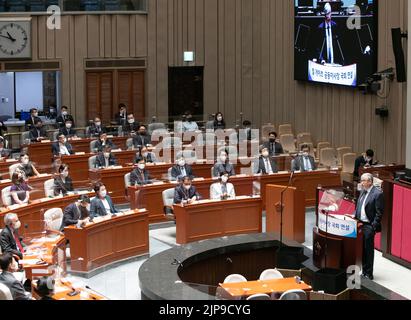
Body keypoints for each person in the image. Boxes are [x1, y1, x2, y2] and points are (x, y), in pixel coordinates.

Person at [355, 173, 384, 280]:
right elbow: (360, 206)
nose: (361, 182)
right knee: (361, 249)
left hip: (368, 226)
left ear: (370, 182)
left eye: (363, 180)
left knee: (368, 251)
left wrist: (373, 226)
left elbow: (379, 213)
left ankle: (369, 274)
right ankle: (364, 271)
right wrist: (354, 215)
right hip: (359, 224)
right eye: (361, 180)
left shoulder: (377, 194)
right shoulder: (363, 191)